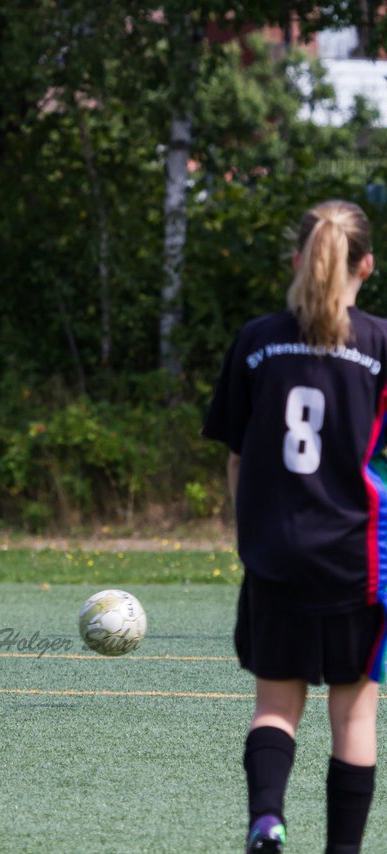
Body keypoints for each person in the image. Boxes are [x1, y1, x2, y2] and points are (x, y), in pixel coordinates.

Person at [203, 200, 386, 853]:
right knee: (354, 712)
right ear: (365, 264)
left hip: (275, 554)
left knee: (275, 709)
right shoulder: (381, 345)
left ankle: (267, 822)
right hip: (356, 560)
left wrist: (251, 535)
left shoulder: (256, 341)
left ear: (295, 260)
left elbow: (236, 456)